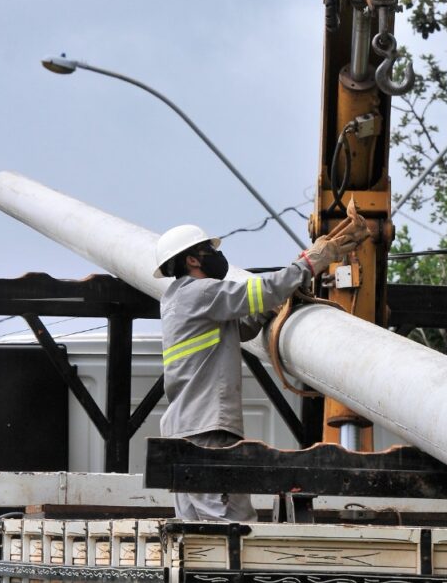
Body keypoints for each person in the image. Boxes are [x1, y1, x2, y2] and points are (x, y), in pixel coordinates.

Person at [153, 215, 369, 521]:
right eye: (208, 251)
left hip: (183, 430)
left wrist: (275, 304)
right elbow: (260, 291)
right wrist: (311, 262)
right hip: (207, 430)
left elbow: (239, 328)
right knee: (233, 526)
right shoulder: (201, 292)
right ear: (191, 259)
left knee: (196, 531)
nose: (217, 256)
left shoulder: (176, 300)